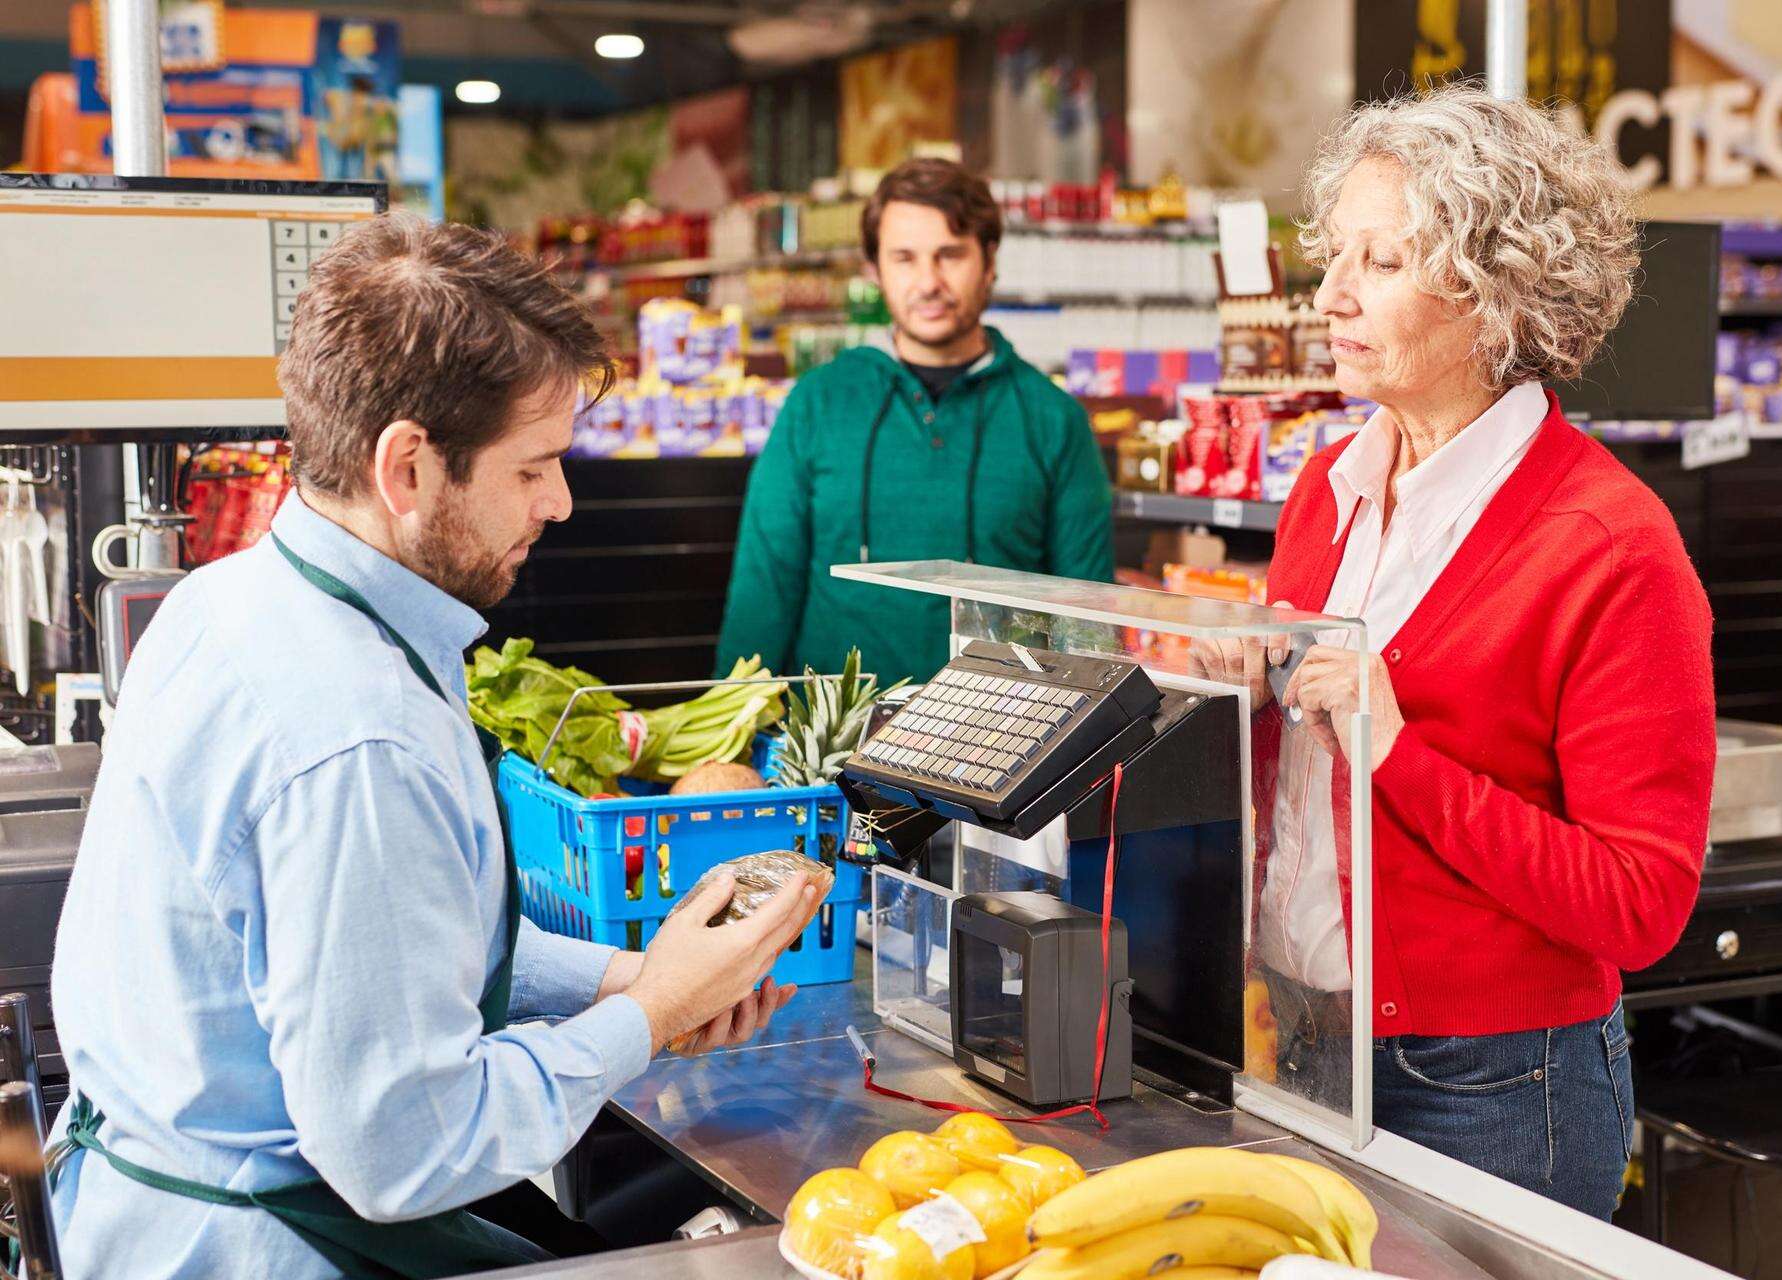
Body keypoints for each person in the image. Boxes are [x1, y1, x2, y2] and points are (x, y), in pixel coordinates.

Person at [47, 215, 822, 1279]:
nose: (559, 502)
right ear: (407, 464)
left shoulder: (225, 599)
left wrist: (629, 972)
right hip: (260, 1246)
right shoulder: (357, 737)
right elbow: (401, 1149)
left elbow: (378, 945)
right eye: (535, 466)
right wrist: (650, 1013)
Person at [1194, 84, 1714, 1218]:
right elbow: (1303, 791)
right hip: (1300, 1035)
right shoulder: (1326, 490)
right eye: (1335, 257)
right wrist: (1235, 701)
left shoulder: (1611, 546)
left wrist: (1401, 751)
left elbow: (1641, 901)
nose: (1328, 295)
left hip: (1492, 1083)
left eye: (1378, 263)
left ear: (1493, 296)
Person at [714, 158, 1114, 688]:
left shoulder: (1053, 420)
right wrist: (728, 741)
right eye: (904, 258)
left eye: (950, 255)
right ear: (874, 270)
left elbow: (1086, 625)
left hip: (1004, 746)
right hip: (834, 749)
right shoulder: (817, 404)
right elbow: (763, 593)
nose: (928, 282)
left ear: (990, 260)